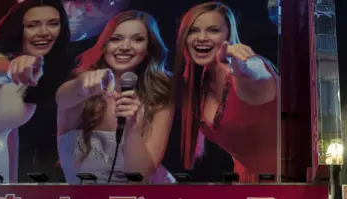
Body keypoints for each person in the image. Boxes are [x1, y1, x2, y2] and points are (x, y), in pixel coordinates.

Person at [56, 10, 174, 183]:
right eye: (116, 38)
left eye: (137, 39)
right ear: (104, 45)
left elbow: (140, 178)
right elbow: (62, 98)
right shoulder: (80, 87)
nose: (125, 46)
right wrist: (81, 85)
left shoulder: (160, 96)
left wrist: (132, 127)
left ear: (148, 48)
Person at [173, 1, 278, 182]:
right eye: (193, 31)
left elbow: (253, 70)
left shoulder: (247, 70)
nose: (201, 37)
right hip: (246, 181)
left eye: (213, 30)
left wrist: (234, 57)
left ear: (228, 34)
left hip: (286, 179)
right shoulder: (199, 82)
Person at [0, 0, 71, 183]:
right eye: (32, 25)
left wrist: (13, 183)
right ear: (18, 30)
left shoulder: (39, 73)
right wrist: (11, 70)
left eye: (53, 23)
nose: (44, 32)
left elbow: (9, 129)